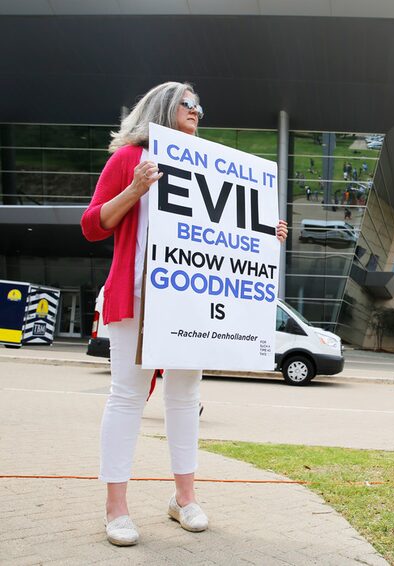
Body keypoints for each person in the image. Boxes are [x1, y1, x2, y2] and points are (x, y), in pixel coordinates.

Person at [81, 82, 289, 547]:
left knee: (184, 396)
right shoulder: (130, 160)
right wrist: (135, 189)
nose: (197, 110)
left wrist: (262, 233)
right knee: (127, 397)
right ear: (162, 108)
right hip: (136, 296)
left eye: (200, 105)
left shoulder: (210, 168)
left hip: (189, 300)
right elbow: (92, 224)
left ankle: (184, 498)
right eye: (187, 103)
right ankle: (116, 508)